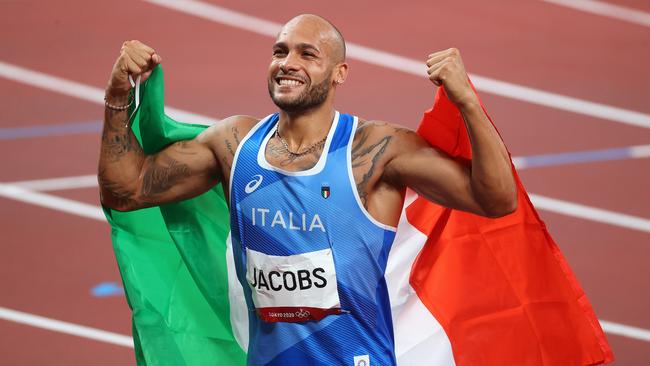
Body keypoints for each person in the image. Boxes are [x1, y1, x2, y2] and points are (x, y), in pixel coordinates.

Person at [99, 14, 516, 366]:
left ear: (340, 73)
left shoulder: (374, 151)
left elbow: (496, 199)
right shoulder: (235, 145)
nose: (287, 62)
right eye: (280, 51)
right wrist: (119, 96)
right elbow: (127, 190)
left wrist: (467, 100)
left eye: (307, 54)